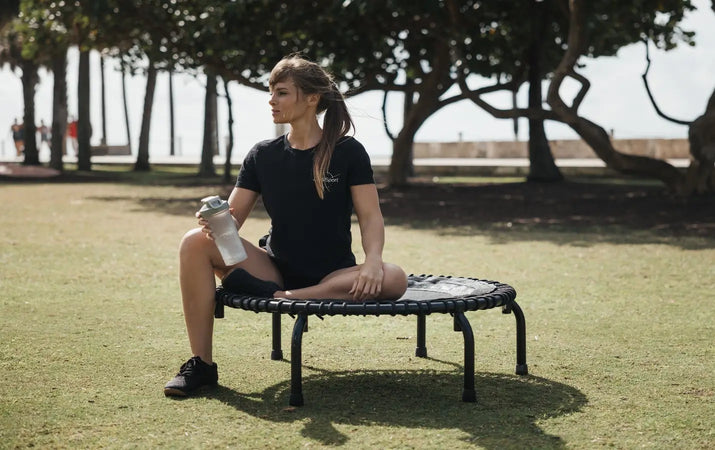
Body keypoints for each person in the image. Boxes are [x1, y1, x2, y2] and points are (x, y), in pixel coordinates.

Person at [164, 55, 408, 397]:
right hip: (273, 269)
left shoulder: (347, 151)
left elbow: (370, 216)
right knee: (193, 242)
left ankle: (286, 298)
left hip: (332, 276)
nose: (271, 100)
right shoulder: (262, 155)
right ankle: (201, 365)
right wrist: (215, 222)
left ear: (311, 98)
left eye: (281, 93)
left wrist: (371, 262)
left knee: (394, 276)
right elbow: (233, 221)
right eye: (270, 92)